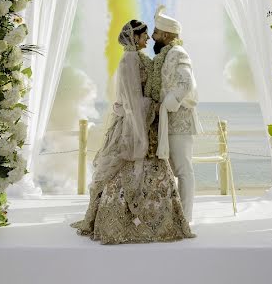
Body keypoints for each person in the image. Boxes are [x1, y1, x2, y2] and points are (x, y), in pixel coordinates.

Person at [70, 19, 194, 244]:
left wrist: (159, 107)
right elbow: (131, 101)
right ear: (134, 38)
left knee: (158, 173)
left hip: (145, 123)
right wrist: (155, 107)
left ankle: (159, 219)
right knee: (128, 172)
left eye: (152, 33)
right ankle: (130, 222)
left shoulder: (142, 57)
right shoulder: (130, 60)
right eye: (145, 34)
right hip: (136, 124)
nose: (148, 38)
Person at [149, 6, 203, 223]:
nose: (153, 36)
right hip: (167, 123)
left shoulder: (178, 53)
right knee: (170, 171)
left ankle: (185, 219)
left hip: (179, 122)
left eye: (156, 33)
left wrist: (168, 104)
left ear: (166, 35)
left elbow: (186, 82)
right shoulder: (167, 54)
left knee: (183, 171)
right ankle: (172, 216)